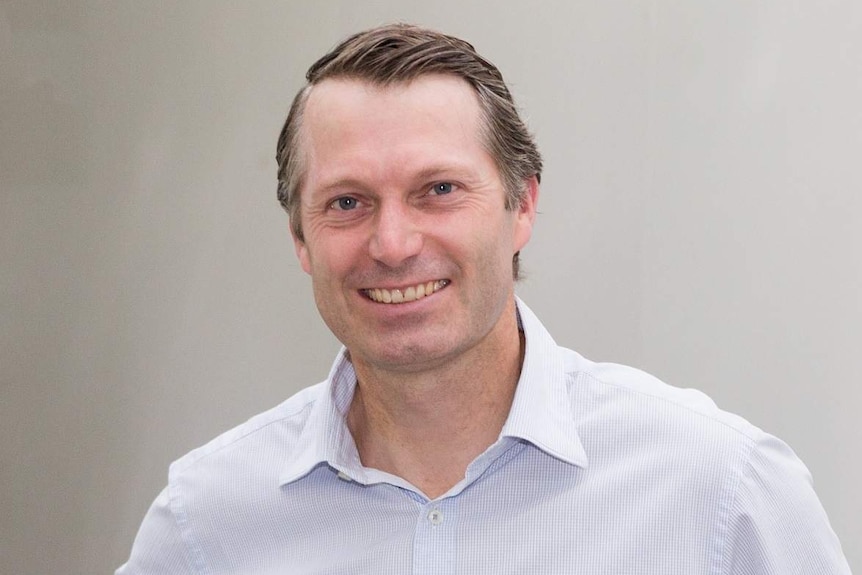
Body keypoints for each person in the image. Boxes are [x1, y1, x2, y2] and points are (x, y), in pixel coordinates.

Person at [117, 24, 850, 574]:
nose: (394, 242)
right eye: (347, 201)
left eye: (438, 190)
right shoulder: (204, 527)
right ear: (301, 239)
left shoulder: (723, 491)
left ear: (522, 205)